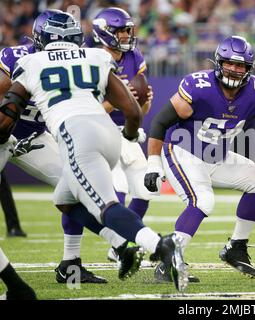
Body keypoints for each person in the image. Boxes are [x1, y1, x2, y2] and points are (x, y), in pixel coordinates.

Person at [0, 12, 188, 292]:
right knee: (69, 197)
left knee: (84, 196)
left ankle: (116, 250)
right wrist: (129, 134)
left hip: (41, 135)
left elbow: (8, 113)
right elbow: (132, 111)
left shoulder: (33, 63)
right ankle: (126, 247)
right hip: (79, 133)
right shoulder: (87, 57)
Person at [144, 35, 255, 283]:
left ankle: (236, 247)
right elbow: (161, 121)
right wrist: (153, 163)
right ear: (218, 62)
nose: (235, 70)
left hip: (217, 156)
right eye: (230, 63)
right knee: (202, 200)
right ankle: (167, 263)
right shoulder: (199, 86)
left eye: (241, 66)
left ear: (249, 69)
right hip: (183, 150)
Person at [0, 9, 127, 284]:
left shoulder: (77, 61)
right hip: (3, 134)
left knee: (74, 188)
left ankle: (70, 263)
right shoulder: (16, 58)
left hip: (34, 138)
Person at [92, 7, 154, 263]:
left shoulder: (134, 57)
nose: (127, 35)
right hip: (99, 130)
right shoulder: (91, 59)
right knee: (117, 187)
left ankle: (119, 246)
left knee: (143, 192)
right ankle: (119, 246)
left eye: (128, 30)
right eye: (121, 30)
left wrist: (142, 101)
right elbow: (88, 109)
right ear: (104, 33)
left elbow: (141, 110)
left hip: (128, 132)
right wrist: (118, 101)